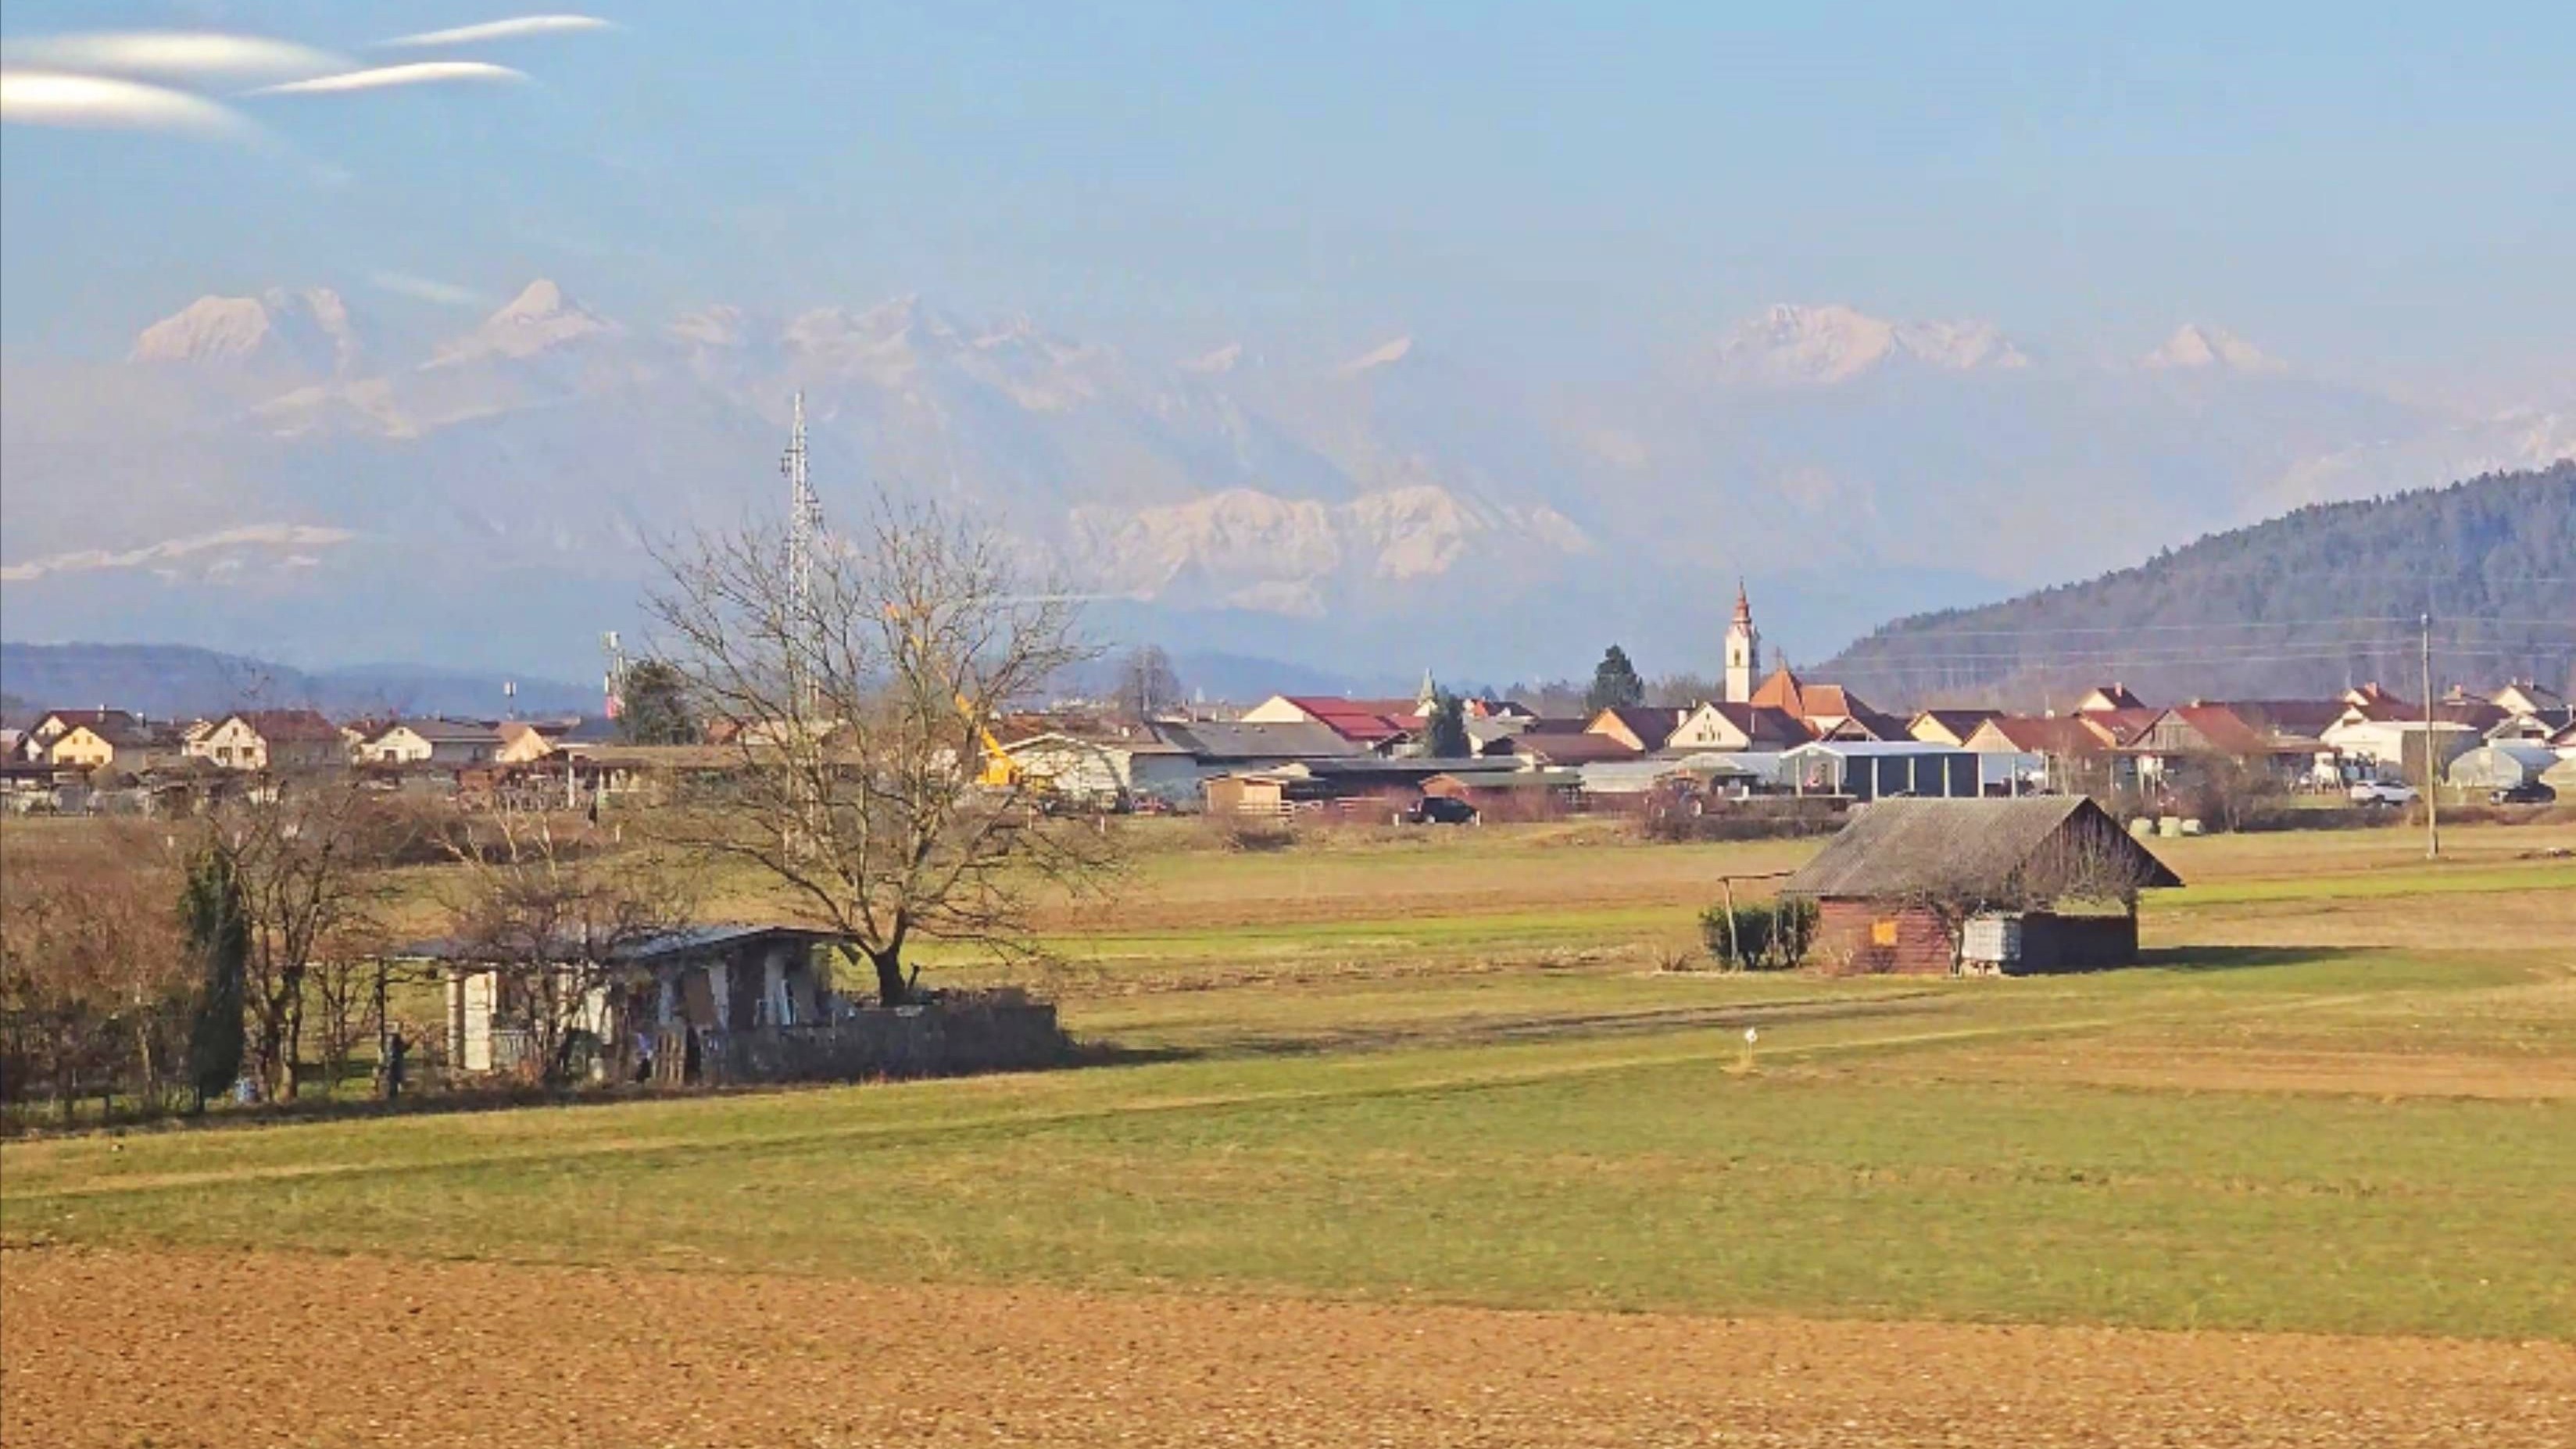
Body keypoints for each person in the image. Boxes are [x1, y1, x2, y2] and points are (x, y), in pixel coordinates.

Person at [385, 1030, 408, 1102]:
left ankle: (394, 1095)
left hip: (396, 1065)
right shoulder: (393, 1048)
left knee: (396, 1080)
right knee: (394, 1081)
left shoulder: (395, 1048)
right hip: (395, 1065)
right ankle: (394, 1094)